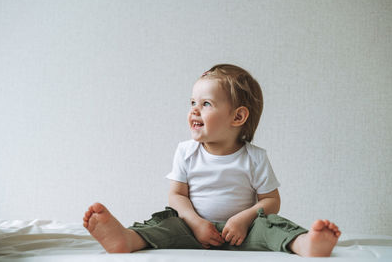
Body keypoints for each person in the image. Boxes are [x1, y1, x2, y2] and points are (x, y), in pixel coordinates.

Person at [83, 64, 341, 257]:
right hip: (192, 228)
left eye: (206, 103)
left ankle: (305, 244)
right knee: (166, 224)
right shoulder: (186, 151)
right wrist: (195, 223)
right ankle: (127, 239)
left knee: (272, 228)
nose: (194, 109)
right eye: (192, 102)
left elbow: (271, 201)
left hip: (243, 232)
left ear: (237, 117)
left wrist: (243, 220)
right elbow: (176, 196)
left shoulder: (254, 157)